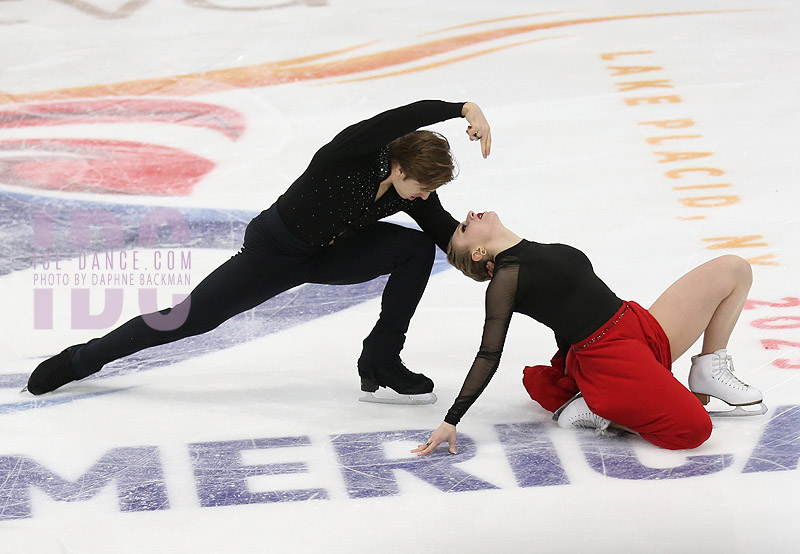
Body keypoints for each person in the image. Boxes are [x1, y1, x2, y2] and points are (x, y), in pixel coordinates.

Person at [27, 100, 492, 405]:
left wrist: (490, 258)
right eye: (421, 186)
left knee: (414, 249)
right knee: (187, 318)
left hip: (329, 255)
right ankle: (80, 360)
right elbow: (392, 120)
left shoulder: (411, 192)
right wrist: (461, 108)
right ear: (397, 164)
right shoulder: (347, 157)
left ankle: (381, 358)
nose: (422, 197)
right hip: (273, 252)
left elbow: (447, 237)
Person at [414, 210, 766, 455]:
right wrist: (451, 420)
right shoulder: (506, 279)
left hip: (636, 323)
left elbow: (560, 311)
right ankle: (606, 415)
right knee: (695, 428)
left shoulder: (529, 250)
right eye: (463, 226)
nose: (470, 215)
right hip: (612, 360)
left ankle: (708, 369)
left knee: (733, 270)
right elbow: (488, 353)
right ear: (478, 252)